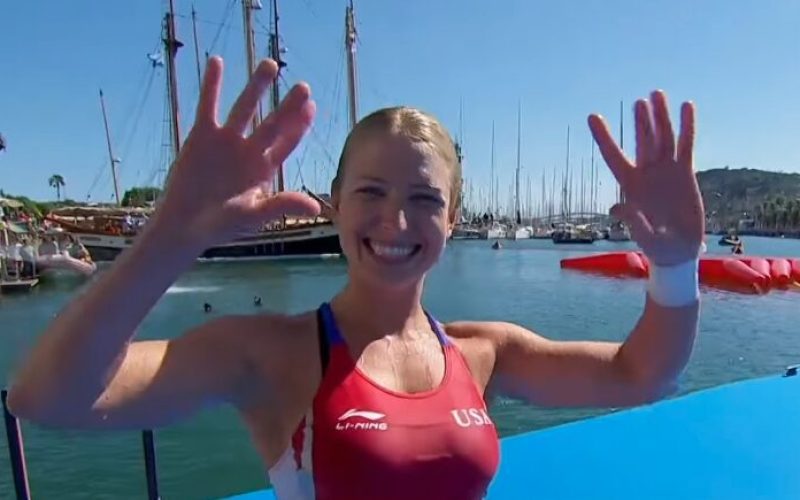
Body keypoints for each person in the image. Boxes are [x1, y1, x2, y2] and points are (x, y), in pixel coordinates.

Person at [7, 58, 703, 500]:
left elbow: (642, 374)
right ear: (335, 204)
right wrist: (171, 236)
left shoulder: (484, 352)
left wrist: (675, 265)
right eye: (371, 192)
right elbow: (48, 397)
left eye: (425, 199)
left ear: (452, 219)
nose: (396, 220)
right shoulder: (270, 356)